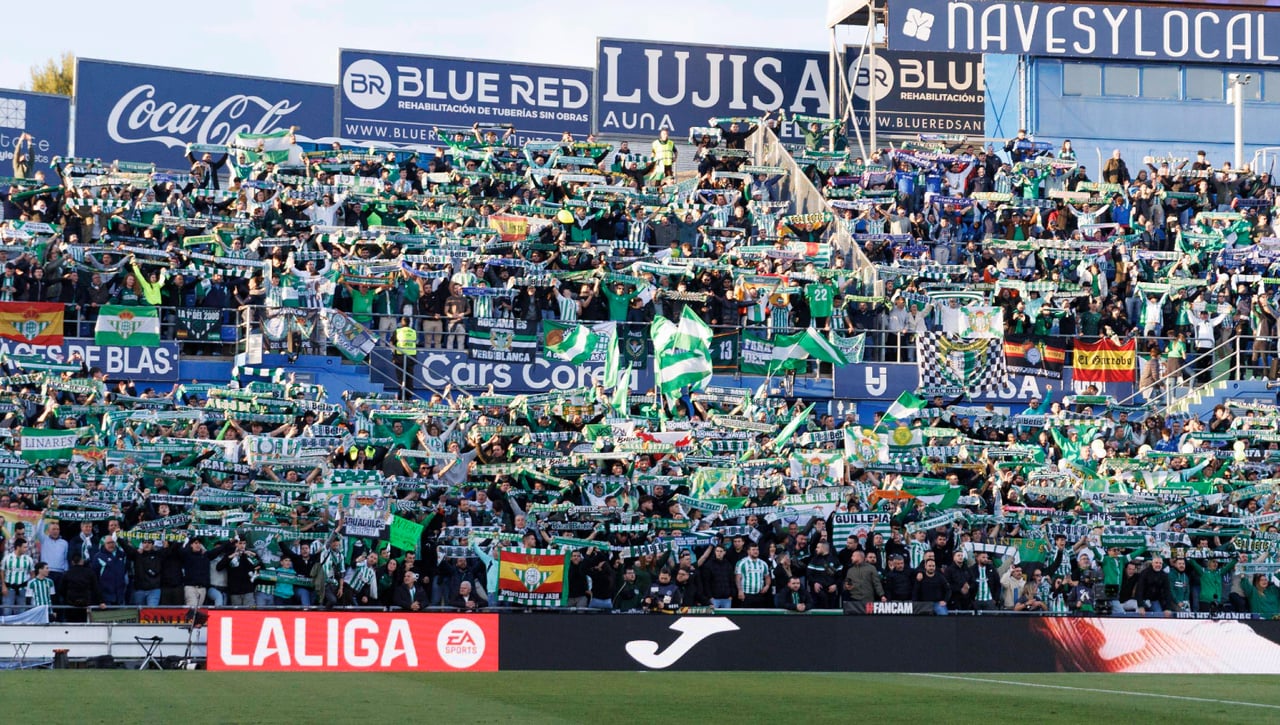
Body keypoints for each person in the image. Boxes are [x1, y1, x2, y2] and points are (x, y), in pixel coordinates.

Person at [842, 549, 885, 613]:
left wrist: (882, 595)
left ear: (859, 557)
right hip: (854, 600)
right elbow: (846, 583)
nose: (851, 558)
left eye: (853, 556)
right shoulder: (850, 570)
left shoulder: (871, 568)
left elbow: (877, 583)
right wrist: (846, 586)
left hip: (868, 599)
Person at [1, 537, 33, 614]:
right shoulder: (7, 558)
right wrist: (3, 586)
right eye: (24, 547)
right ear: (18, 547)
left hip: (23, 588)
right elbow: (2, 571)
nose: (26, 549)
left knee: (22, 612)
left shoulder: (28, 559)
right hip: (9, 588)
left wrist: (29, 588)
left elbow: (32, 573)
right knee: (7, 611)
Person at [734, 543, 771, 608]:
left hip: (759, 594)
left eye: (757, 549)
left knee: (759, 613)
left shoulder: (763, 563)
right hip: (746, 595)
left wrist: (767, 586)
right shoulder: (741, 563)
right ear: (748, 551)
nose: (756, 551)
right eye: (753, 550)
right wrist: (740, 591)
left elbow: (767, 577)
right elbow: (737, 578)